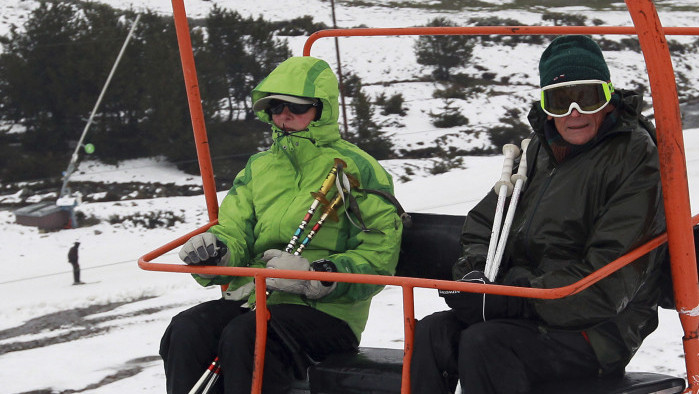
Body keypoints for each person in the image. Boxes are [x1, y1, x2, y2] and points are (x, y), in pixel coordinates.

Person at [410, 35, 666, 393]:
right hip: (531, 308)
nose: (574, 112)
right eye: (560, 101)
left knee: (486, 343)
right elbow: (487, 221)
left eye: (587, 97)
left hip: (598, 329)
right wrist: (474, 272)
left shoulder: (633, 156)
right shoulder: (539, 152)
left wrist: (514, 299)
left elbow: (611, 274)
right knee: (433, 333)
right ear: (546, 107)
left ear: (608, 99)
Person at [159, 56, 403, 394]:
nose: (284, 115)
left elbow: (380, 254)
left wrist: (315, 275)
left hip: (329, 312)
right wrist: (217, 252)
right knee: (187, 329)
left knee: (247, 335)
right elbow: (234, 228)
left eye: (296, 107)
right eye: (275, 106)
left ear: (322, 110)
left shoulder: (357, 169)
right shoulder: (260, 167)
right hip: (256, 297)